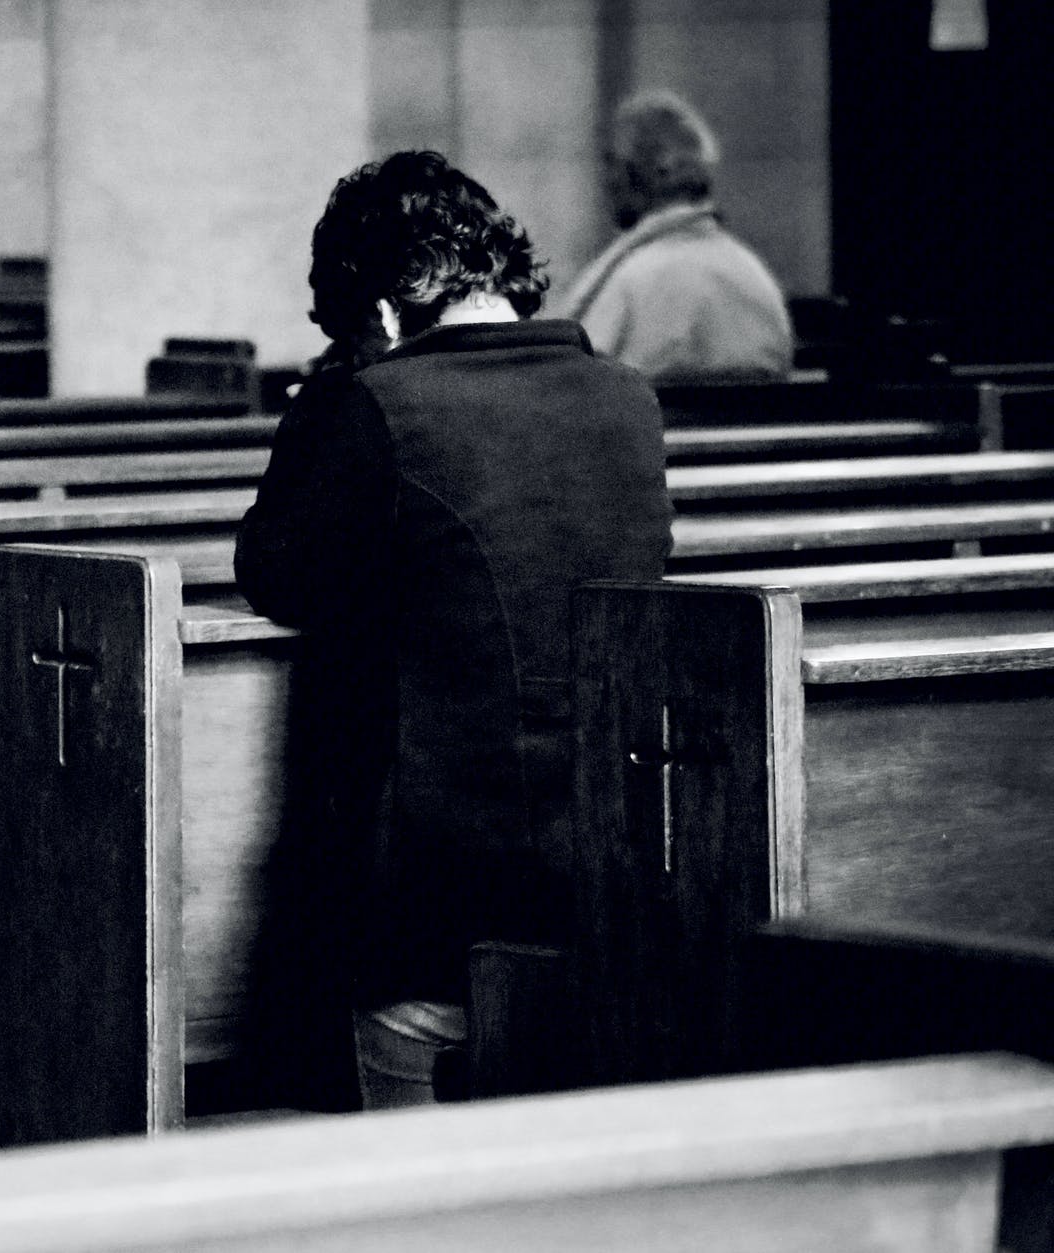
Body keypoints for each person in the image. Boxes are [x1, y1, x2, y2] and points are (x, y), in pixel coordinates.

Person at [233, 150, 674, 1109]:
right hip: (616, 834)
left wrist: (328, 402)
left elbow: (275, 574)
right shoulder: (628, 398)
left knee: (383, 1027)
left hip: (444, 865)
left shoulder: (373, 402)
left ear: (382, 316)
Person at [557, 89, 793, 383]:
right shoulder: (753, 276)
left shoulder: (631, 281)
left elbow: (569, 386)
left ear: (643, 173)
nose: (606, 182)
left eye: (612, 163)